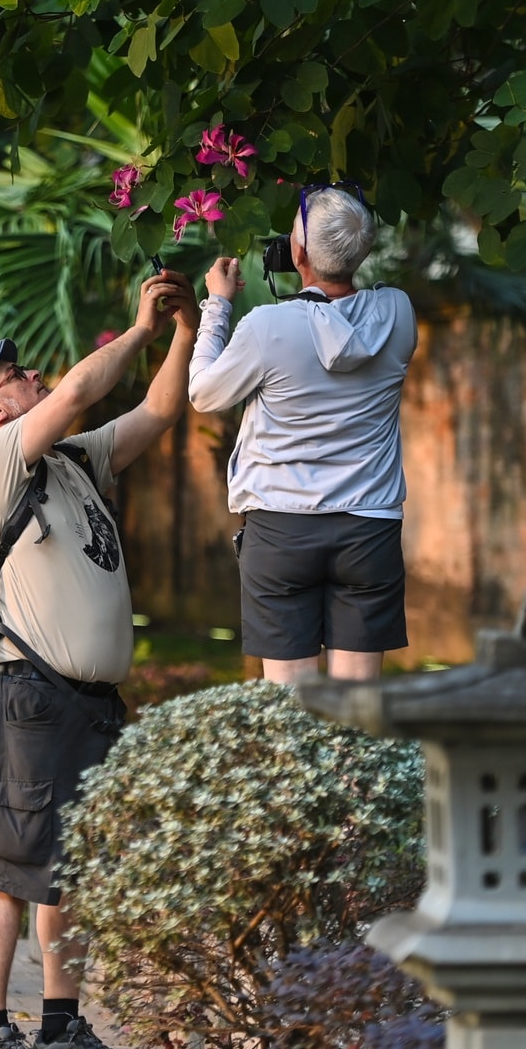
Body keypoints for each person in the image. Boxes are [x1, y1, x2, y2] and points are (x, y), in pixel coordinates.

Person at [0, 269, 195, 1049]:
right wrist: (140, 330)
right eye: (17, 377)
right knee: (14, 864)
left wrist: (186, 332)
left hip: (88, 700)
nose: (35, 378)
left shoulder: (71, 464)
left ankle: (61, 1024)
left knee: (69, 869)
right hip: (30, 696)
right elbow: (86, 388)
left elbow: (156, 412)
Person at [186, 182, 417, 684]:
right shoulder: (398, 313)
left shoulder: (267, 326)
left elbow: (204, 394)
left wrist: (218, 306)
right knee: (358, 707)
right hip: (369, 528)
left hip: (281, 529)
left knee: (290, 708)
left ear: (296, 253)